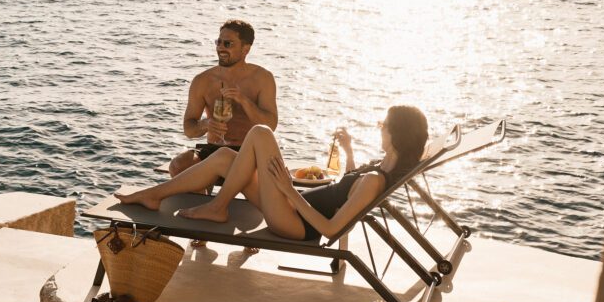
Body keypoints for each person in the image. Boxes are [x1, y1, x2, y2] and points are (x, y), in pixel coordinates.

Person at [120, 105, 430, 241]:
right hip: (293, 206)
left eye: (384, 125)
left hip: (295, 222)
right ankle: (153, 194)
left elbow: (331, 230)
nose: (380, 128)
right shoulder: (379, 170)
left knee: (260, 133)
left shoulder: (376, 180)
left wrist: (288, 189)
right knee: (227, 157)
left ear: (398, 134)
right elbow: (349, 190)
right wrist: (349, 151)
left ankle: (217, 206)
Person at [168, 19, 279, 179]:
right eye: (218, 42)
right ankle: (199, 200)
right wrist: (206, 124)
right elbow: (189, 129)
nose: (220, 47)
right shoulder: (203, 80)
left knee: (268, 177)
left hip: (251, 152)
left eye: (228, 44)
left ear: (245, 49)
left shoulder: (263, 78)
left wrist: (244, 100)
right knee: (179, 166)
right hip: (215, 149)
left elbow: (271, 125)